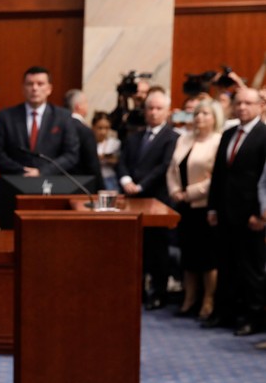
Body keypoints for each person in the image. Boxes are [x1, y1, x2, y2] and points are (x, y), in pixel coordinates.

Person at [203, 88, 266, 336]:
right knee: (225, 264)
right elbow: (219, 176)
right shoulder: (229, 133)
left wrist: (260, 214)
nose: (242, 108)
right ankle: (224, 313)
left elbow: (263, 180)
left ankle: (254, 318)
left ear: (260, 106)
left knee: (251, 269)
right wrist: (212, 207)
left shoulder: (263, 135)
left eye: (248, 103)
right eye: (238, 103)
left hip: (251, 215)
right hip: (225, 211)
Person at [117, 90, 178, 310]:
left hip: (157, 200)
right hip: (131, 199)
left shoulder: (172, 138)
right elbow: (122, 162)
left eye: (158, 108)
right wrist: (126, 180)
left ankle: (158, 292)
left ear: (167, 111)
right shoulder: (134, 137)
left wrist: (141, 185)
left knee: (158, 248)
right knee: (136, 247)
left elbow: (164, 166)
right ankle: (138, 290)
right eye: (150, 108)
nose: (153, 112)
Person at [166, 99, 223, 321]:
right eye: (197, 113)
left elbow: (217, 178)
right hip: (183, 207)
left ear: (215, 118)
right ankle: (189, 298)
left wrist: (190, 192)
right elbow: (172, 170)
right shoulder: (184, 139)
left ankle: (208, 300)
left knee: (207, 257)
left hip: (205, 206)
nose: (199, 117)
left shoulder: (218, 141)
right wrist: (175, 191)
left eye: (205, 113)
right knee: (188, 255)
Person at [0, 66, 79, 179]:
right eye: (30, 84)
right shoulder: (6, 116)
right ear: (23, 88)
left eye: (40, 84)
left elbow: (71, 155)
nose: (34, 88)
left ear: (49, 89)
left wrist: (43, 171)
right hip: (14, 181)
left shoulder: (63, 116)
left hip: (50, 182)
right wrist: (22, 171)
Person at [64, 88, 103, 191]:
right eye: (86, 102)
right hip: (83, 185)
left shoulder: (59, 127)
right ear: (79, 106)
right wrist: (101, 188)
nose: (87, 106)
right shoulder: (84, 130)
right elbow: (92, 164)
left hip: (60, 184)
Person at [92, 111, 121, 191]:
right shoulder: (89, 143)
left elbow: (118, 161)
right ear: (93, 127)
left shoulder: (115, 143)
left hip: (109, 179)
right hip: (93, 179)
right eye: (100, 128)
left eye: (106, 128)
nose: (103, 132)